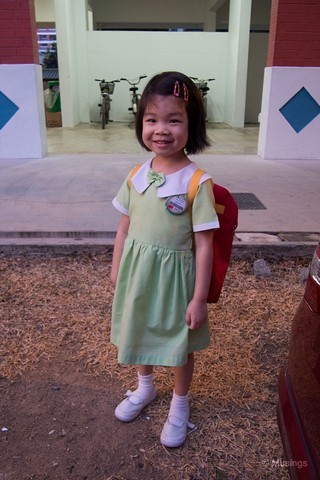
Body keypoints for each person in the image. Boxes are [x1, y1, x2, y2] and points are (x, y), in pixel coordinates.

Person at [110, 71, 219, 448]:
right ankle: (144, 388)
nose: (161, 129)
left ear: (193, 125)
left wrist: (198, 298)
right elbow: (124, 228)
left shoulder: (196, 182)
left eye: (174, 120)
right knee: (139, 328)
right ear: (140, 123)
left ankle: (180, 403)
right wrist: (116, 266)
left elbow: (205, 245)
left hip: (177, 281)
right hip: (138, 275)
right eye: (152, 119)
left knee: (177, 344)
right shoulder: (137, 174)